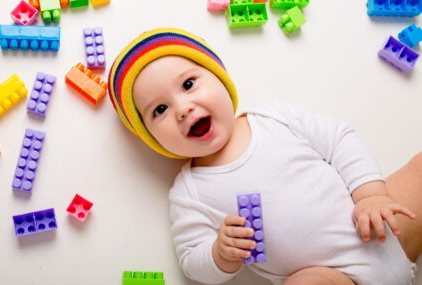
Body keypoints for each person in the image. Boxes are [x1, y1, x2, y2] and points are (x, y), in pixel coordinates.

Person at [107, 27, 421, 285]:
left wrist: (370, 195)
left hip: (385, 226)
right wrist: (219, 254)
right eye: (159, 110)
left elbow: (339, 140)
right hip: (329, 276)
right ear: (151, 137)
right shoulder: (189, 193)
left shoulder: (275, 117)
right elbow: (191, 261)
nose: (183, 108)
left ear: (221, 78)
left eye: (189, 84)